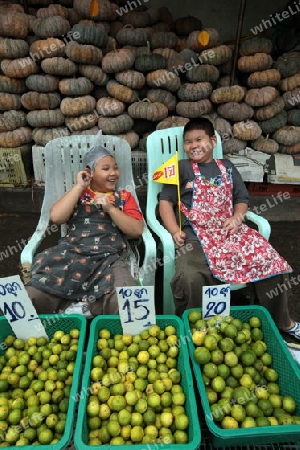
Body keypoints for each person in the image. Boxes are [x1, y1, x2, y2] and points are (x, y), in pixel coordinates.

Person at [159, 118, 300, 340]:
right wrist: (174, 230)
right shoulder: (181, 168)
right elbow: (166, 201)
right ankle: (193, 330)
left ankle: (282, 323)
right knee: (190, 276)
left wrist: (237, 217)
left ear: (213, 141)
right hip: (197, 237)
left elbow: (241, 197)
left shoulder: (227, 167)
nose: (193, 145)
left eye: (199, 140)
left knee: (270, 261)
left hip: (231, 234)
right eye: (188, 142)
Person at [25, 142, 144, 317]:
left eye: (115, 168)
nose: (113, 173)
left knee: (129, 302)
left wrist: (111, 209)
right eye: (106, 168)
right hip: (71, 254)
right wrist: (79, 186)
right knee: (32, 296)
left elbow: (136, 230)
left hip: (108, 259)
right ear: (90, 173)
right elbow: (57, 217)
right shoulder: (78, 194)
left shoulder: (124, 197)